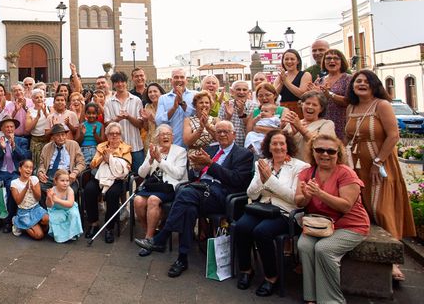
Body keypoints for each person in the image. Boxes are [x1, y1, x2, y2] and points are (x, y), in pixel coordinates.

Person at [135, 120, 254, 278]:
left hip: (221, 195)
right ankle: (181, 259)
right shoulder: (210, 149)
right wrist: (197, 169)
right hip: (200, 191)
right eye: (219, 132)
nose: (222, 134)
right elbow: (195, 175)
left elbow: (237, 180)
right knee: (188, 209)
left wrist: (210, 165)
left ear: (233, 134)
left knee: (185, 194)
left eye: (226, 131)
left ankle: (161, 237)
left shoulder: (243, 154)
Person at [345, 69, 416, 280]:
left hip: (379, 164)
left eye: (366, 81)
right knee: (364, 208)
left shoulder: (382, 105)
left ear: (374, 85)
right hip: (358, 164)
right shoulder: (351, 107)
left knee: (383, 208)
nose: (361, 84)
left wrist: (378, 161)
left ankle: (392, 262)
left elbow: (394, 135)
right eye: (358, 81)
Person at [295, 134, 370, 304]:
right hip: (320, 224)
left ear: (338, 153)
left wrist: (320, 194)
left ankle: (331, 300)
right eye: (320, 150)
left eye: (331, 151)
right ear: (313, 152)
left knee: (324, 249)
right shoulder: (307, 173)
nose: (325, 154)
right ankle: (311, 297)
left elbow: (345, 206)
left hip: (350, 225)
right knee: (304, 245)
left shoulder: (346, 173)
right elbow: (298, 201)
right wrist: (306, 196)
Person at [235, 130, 309, 296]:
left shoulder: (300, 167)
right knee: (241, 227)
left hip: (286, 213)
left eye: (281, 143)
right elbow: (251, 194)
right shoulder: (263, 163)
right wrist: (262, 180)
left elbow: (293, 198)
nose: (278, 147)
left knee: (262, 232)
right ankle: (246, 270)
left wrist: (270, 180)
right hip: (262, 208)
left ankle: (271, 276)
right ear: (268, 146)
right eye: (274, 143)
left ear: (288, 145)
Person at [134, 125, 188, 256]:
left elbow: (178, 174)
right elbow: (141, 173)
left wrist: (160, 160)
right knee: (138, 200)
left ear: (173, 137)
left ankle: (148, 240)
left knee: (153, 200)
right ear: (157, 138)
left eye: (168, 134)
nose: (165, 136)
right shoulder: (153, 150)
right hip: (154, 186)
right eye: (162, 134)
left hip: (170, 187)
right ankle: (153, 237)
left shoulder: (180, 151)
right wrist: (151, 159)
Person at [83, 122, 132, 243]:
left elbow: (128, 166)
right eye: (111, 133)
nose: (114, 136)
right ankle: (93, 223)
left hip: (117, 180)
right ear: (107, 135)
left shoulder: (126, 148)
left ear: (120, 135)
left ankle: (109, 228)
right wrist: (103, 158)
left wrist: (112, 159)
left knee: (112, 194)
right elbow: (92, 164)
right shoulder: (101, 146)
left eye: (117, 133)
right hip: (101, 177)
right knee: (89, 190)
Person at [0, 117, 30, 233]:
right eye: (7, 127)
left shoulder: (22, 141)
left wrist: (14, 146)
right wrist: (1, 149)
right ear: (2, 130)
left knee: (12, 187)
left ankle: (8, 221)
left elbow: (25, 158)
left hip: (14, 173)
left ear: (14, 128)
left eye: (11, 127)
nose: (9, 129)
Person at [103, 71, 145, 173]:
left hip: (135, 146)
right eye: (117, 82)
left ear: (126, 83)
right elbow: (107, 125)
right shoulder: (109, 102)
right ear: (113, 84)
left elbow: (140, 124)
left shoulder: (136, 100)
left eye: (122, 81)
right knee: (119, 175)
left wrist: (128, 117)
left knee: (139, 174)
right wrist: (117, 119)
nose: (120, 84)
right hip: (117, 148)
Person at [284, 90, 335, 164]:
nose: (310, 107)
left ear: (321, 109)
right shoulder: (294, 122)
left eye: (314, 105)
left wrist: (300, 128)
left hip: (312, 167)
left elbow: (322, 145)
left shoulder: (326, 124)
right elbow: (280, 144)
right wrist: (292, 133)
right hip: (291, 167)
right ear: (301, 105)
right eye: (307, 103)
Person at [313, 49, 352, 140]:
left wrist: (329, 94)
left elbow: (349, 101)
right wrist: (313, 93)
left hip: (342, 123)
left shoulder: (348, 78)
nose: (332, 61)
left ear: (342, 61)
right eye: (328, 58)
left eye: (336, 58)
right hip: (323, 123)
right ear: (324, 62)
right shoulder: (320, 80)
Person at [37, 123, 86, 193]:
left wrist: (75, 173)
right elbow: (42, 164)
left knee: (71, 191)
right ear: (53, 137)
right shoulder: (46, 147)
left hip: (67, 175)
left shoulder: (74, 145)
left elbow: (81, 163)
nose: (61, 137)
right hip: (50, 175)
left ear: (66, 135)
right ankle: (50, 203)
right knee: (39, 188)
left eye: (63, 135)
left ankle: (61, 202)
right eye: (57, 135)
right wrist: (41, 172)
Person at [156, 68, 197, 146]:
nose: (179, 80)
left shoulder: (195, 95)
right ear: (171, 81)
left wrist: (182, 104)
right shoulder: (163, 98)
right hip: (173, 143)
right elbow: (159, 121)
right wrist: (174, 108)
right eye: (176, 77)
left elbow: (197, 115)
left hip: (192, 143)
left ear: (186, 80)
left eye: (182, 77)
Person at [10, 159, 49, 239]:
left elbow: (38, 198)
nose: (29, 170)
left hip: (35, 208)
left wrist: (33, 188)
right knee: (39, 235)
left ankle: (33, 224)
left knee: (46, 220)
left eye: (31, 168)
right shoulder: (14, 183)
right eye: (26, 167)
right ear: (20, 169)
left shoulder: (34, 179)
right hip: (24, 211)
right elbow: (18, 201)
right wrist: (26, 188)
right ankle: (18, 223)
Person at [46, 169, 83, 243]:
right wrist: (49, 198)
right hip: (57, 209)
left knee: (74, 214)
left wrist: (57, 200)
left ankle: (72, 233)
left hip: (69, 208)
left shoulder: (69, 190)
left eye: (67, 181)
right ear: (56, 181)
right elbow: (49, 205)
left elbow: (70, 204)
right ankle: (61, 235)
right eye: (62, 181)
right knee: (57, 218)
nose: (65, 183)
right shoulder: (53, 190)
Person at [219, 80, 255, 148]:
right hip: (228, 145)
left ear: (248, 92)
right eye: (238, 89)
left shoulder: (254, 106)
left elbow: (250, 126)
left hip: (247, 145)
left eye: (244, 90)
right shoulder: (225, 104)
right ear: (232, 92)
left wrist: (241, 113)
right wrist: (228, 116)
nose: (241, 92)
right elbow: (220, 127)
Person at [275, 49, 312, 115]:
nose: (289, 61)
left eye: (292, 59)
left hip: (299, 109)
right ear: (283, 61)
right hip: (283, 110)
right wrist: (281, 83)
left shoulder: (305, 75)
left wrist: (285, 81)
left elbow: (302, 95)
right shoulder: (279, 77)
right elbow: (273, 96)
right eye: (286, 59)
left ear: (298, 61)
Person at [25, 89, 51, 169]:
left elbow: (53, 124)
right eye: (36, 97)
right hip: (36, 142)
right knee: (36, 165)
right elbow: (27, 129)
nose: (39, 99)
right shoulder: (30, 111)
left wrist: (45, 113)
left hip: (47, 140)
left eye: (41, 97)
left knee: (48, 163)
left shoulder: (49, 108)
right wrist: (37, 117)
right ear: (33, 100)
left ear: (44, 98)